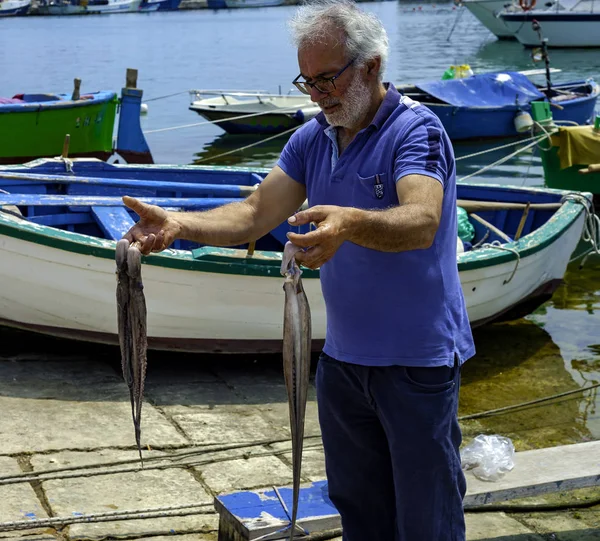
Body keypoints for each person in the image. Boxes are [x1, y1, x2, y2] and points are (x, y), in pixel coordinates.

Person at [122, 0, 475, 539]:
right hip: (342, 366)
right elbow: (255, 212)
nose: (316, 94)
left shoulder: (416, 132)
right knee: (362, 516)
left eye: (328, 79)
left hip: (416, 368)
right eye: (307, 81)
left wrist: (350, 223)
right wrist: (178, 224)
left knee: (428, 522)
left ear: (372, 66)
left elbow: (422, 220)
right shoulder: (313, 138)